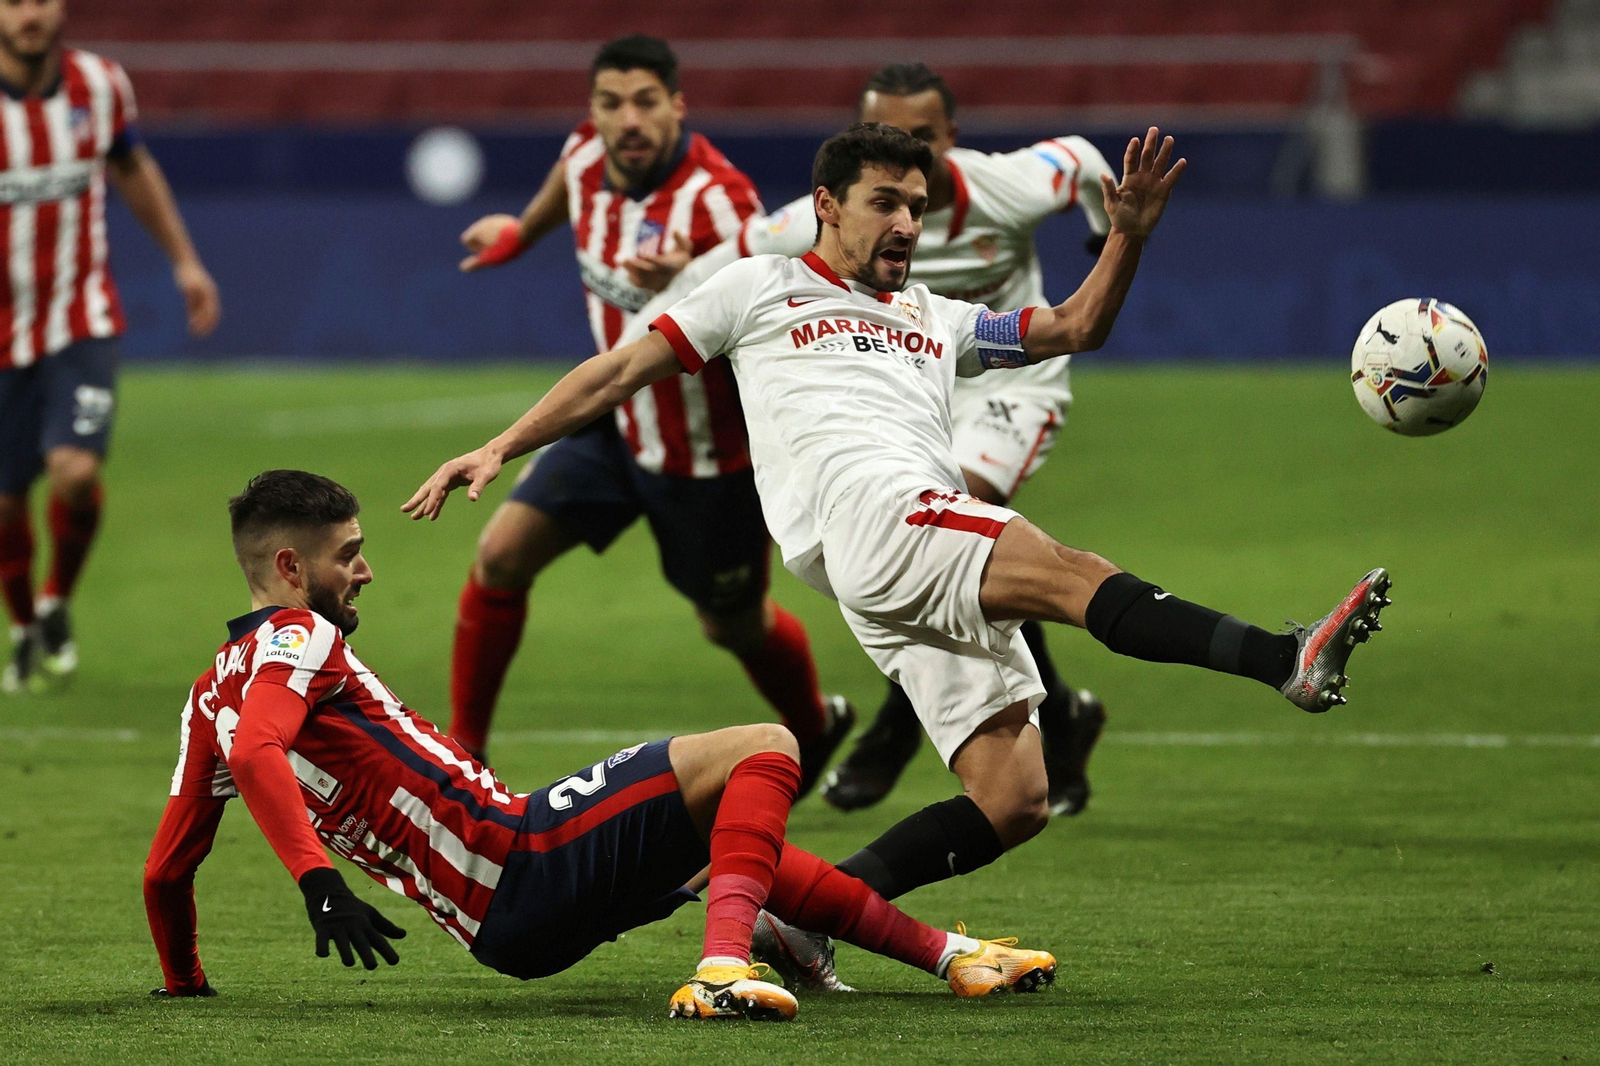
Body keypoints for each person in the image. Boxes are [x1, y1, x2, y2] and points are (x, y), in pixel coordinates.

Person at [404, 123, 1390, 922]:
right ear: (826, 206)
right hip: (871, 517)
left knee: (1014, 799)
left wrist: (1126, 232)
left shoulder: (934, 315)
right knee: (1063, 568)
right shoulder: (762, 287)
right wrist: (502, 445)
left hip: (896, 552)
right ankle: (1282, 659)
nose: (907, 222)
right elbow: (620, 370)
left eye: (916, 205)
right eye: (886, 202)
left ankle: (804, 914)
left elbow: (1074, 327)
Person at [143, 470, 1057, 1019]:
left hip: (502, 925)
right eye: (349, 553)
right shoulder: (296, 639)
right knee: (762, 748)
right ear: (291, 571)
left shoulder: (201, 706)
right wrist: (317, 880)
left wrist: (183, 982)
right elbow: (264, 748)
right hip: (520, 857)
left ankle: (951, 958)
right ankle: (723, 967)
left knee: (721, 827)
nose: (366, 569)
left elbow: (165, 872)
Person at [624, 62, 1116, 816]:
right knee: (941, 545)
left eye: (923, 137)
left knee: (949, 524)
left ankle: (896, 729)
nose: (906, 155)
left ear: (950, 137)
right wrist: (671, 278)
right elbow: (738, 254)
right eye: (891, 136)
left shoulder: (1009, 186)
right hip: (915, 385)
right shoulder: (819, 220)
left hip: (1013, 386)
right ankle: (1060, 717)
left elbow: (1083, 160)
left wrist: (1103, 229)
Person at [446, 34, 851, 785]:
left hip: (707, 453)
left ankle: (819, 724)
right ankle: (465, 754)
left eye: (644, 102)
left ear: (677, 106)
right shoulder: (583, 158)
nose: (626, 120)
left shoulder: (720, 201)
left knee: (731, 623)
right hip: (616, 421)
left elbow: (770, 314)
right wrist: (516, 235)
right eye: (609, 103)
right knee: (500, 556)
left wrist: (698, 273)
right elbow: (560, 193)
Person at [0, 0, 220, 692]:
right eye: (12, 2)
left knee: (74, 474)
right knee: (6, 505)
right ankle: (25, 626)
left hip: (81, 317)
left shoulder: (100, 84)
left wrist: (184, 261)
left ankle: (58, 596)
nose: (28, 14)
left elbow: (132, 168)